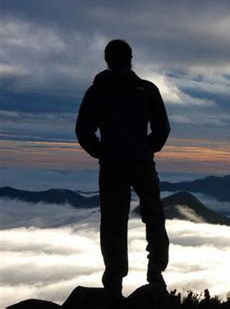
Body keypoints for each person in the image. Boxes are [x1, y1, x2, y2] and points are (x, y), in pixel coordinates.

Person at [75, 39, 170, 301]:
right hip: (141, 164)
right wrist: (147, 148)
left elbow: (83, 131)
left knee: (113, 222)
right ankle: (156, 273)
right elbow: (162, 129)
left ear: (107, 60)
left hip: (112, 166)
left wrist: (102, 152)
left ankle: (114, 281)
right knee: (154, 216)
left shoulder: (96, 92)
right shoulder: (148, 90)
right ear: (130, 58)